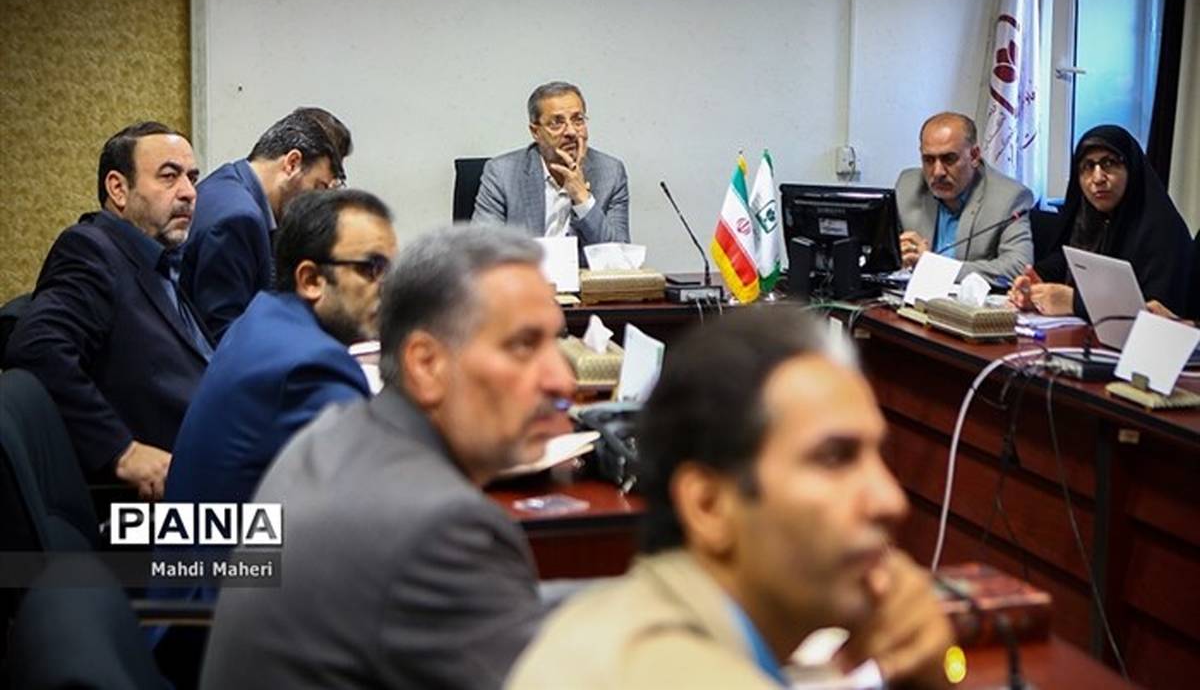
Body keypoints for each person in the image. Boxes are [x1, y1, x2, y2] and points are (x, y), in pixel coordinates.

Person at [200, 224, 576, 690]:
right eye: (523, 345)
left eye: (556, 341)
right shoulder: (441, 527)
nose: (562, 380)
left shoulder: (335, 431)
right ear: (426, 364)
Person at [507, 308, 953, 689]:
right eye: (835, 458)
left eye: (879, 457)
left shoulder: (624, 623)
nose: (891, 500)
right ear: (708, 506)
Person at [3, 122, 212, 499]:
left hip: (212, 468)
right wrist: (121, 450)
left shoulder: (157, 259)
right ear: (118, 188)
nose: (188, 192)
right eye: (169, 176)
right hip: (156, 507)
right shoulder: (91, 250)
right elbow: (36, 345)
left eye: (192, 178)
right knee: (287, 529)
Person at [166, 188, 396, 527]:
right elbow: (381, 493)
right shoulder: (312, 368)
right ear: (311, 279)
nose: (388, 287)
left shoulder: (263, 317)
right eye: (372, 268)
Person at [181, 108, 347, 342]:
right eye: (318, 187)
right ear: (292, 163)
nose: (316, 204)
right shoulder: (238, 219)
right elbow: (225, 334)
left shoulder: (229, 178)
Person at [1009, 125, 1192, 317]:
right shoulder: (1087, 217)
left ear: (1131, 169)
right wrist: (1035, 284)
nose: (1097, 178)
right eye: (1087, 167)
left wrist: (1075, 303)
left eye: (1109, 163)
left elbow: (1156, 313)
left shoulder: (1163, 230)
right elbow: (1064, 262)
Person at [473, 81, 630, 248]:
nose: (571, 132)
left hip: (584, 267)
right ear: (536, 132)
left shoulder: (611, 173)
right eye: (557, 123)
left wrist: (583, 199)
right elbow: (482, 249)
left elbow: (619, 254)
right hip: (527, 264)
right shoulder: (502, 173)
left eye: (578, 120)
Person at [895, 111, 1033, 283]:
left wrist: (934, 267)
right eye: (928, 160)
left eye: (949, 159)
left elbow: (1018, 268)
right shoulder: (908, 185)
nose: (937, 172)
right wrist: (895, 255)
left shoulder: (1009, 197)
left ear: (974, 156)